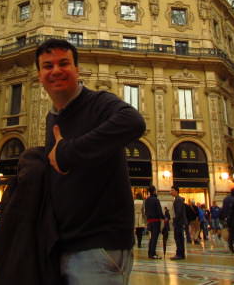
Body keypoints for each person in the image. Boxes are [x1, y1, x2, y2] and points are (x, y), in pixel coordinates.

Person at [36, 38, 146, 283]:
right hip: (65, 243)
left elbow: (133, 122)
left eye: (64, 63)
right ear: (39, 75)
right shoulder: (52, 117)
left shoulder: (99, 102)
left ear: (77, 69)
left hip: (98, 246)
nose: (55, 71)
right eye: (47, 66)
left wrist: (67, 152)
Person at [144, 185, 163, 260]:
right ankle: (153, 254)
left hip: (150, 221)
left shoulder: (147, 200)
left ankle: (150, 253)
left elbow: (145, 211)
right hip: (156, 221)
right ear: (154, 191)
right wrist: (164, 218)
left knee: (152, 238)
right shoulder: (156, 200)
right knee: (154, 238)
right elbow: (159, 211)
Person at [222, 186, 234, 253]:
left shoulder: (225, 199)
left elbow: (224, 209)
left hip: (228, 219)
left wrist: (225, 218)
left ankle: (231, 246)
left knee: (231, 233)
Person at [170, 186, 187, 260]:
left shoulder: (178, 200)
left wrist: (175, 221)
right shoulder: (177, 199)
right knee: (179, 238)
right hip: (179, 222)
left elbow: (178, 212)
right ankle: (181, 254)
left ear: (176, 191)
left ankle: (179, 254)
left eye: (172, 190)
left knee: (178, 238)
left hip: (178, 222)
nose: (171, 192)